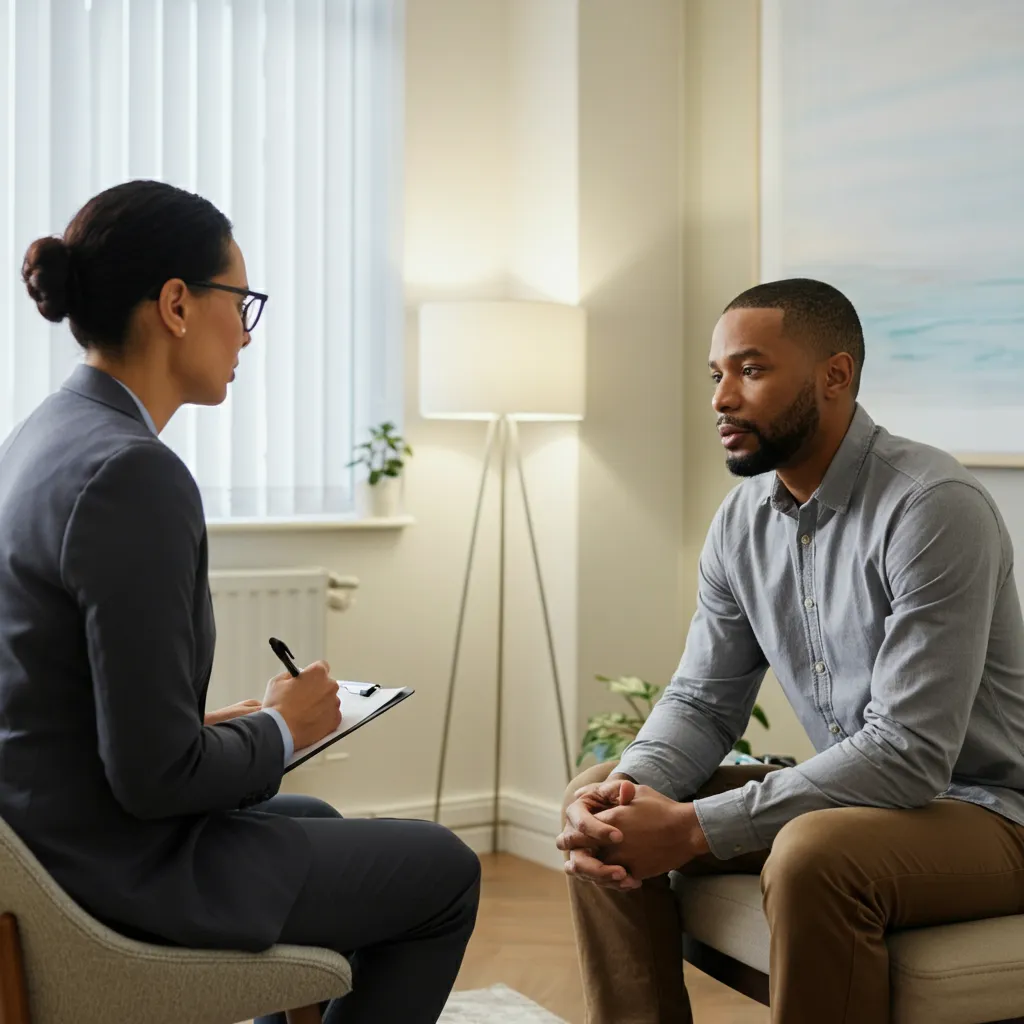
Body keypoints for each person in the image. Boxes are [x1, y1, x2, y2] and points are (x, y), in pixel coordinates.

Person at [0, 180, 480, 1024]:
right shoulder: (132, 473)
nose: (247, 334)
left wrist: (234, 727)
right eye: (241, 301)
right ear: (177, 305)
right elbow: (153, 781)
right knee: (445, 871)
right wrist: (285, 726)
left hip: (47, 832)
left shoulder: (41, 436)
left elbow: (76, 705)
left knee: (316, 814)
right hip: (104, 870)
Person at [557, 278, 1024, 1024]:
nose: (721, 399)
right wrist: (635, 792)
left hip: (989, 815)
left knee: (814, 853)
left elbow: (908, 752)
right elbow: (703, 701)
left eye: (751, 369)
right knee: (604, 794)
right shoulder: (743, 520)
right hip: (864, 802)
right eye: (717, 375)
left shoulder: (932, 507)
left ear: (834, 376)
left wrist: (691, 828)